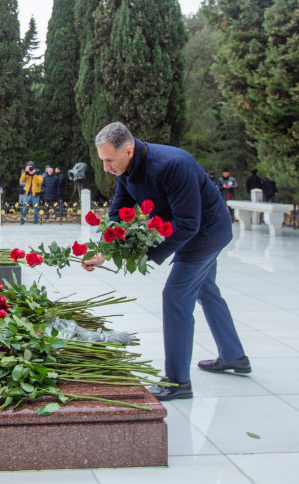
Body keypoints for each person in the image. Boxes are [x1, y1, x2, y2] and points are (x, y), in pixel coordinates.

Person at [82, 122, 250, 401]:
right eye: (103, 161)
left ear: (128, 149)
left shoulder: (173, 164)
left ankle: (177, 381)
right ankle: (235, 357)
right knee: (206, 291)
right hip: (190, 230)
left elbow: (188, 223)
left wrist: (143, 254)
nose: (106, 168)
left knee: (176, 296)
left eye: (109, 160)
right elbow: (120, 208)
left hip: (207, 233)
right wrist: (106, 248)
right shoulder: (126, 168)